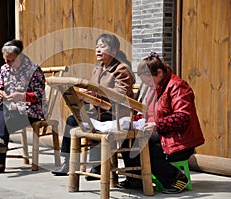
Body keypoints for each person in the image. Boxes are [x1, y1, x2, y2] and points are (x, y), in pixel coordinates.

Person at [51, 33, 135, 180]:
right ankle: (67, 163)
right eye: (97, 47)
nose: (98, 50)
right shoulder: (98, 68)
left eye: (102, 47)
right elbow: (93, 89)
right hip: (99, 109)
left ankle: (98, 166)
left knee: (97, 120)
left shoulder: (122, 69)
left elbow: (120, 94)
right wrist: (84, 94)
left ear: (114, 51)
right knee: (72, 120)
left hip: (116, 114)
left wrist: (93, 93)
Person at [121, 51, 205, 193]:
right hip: (163, 136)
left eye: (148, 80)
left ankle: (176, 178)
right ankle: (136, 177)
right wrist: (130, 120)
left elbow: (183, 116)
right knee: (126, 137)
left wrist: (157, 125)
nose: (146, 84)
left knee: (144, 143)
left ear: (159, 72)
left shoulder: (178, 86)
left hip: (180, 141)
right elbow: (149, 115)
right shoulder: (156, 88)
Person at [0, 39, 45, 175]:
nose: (8, 64)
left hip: (29, 112)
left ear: (20, 57)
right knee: (0, 109)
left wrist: (22, 96)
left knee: (1, 118)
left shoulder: (33, 69)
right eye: (6, 60)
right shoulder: (5, 69)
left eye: (11, 60)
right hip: (9, 110)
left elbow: (39, 95)